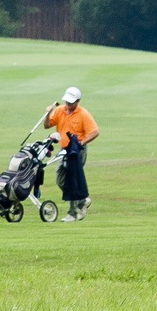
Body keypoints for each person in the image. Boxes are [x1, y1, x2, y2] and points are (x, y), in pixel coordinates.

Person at [42, 86, 99, 221]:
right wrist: (47, 114)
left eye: (71, 102)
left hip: (76, 150)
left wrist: (82, 143)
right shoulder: (60, 110)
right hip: (63, 150)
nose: (68, 104)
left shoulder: (83, 114)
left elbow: (95, 132)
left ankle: (71, 214)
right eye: (66, 101)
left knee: (71, 179)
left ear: (78, 101)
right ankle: (81, 201)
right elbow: (47, 125)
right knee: (60, 179)